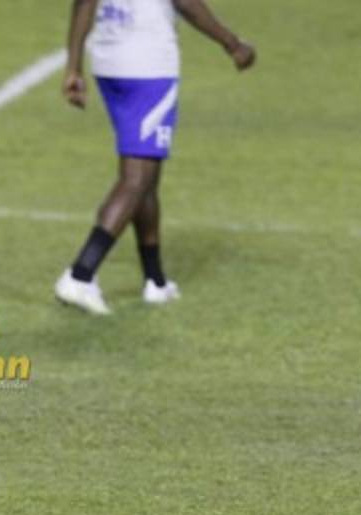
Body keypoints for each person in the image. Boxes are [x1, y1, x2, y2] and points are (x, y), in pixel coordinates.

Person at [54, 0, 256, 314]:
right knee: (136, 179)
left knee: (146, 174)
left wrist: (73, 65)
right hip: (147, 68)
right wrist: (232, 44)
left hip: (109, 63)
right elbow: (186, 4)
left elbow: (83, 3)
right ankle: (81, 274)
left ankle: (155, 281)